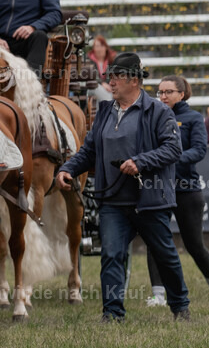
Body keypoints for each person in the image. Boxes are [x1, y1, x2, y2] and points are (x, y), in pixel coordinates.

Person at [56, 52, 190, 323]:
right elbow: (90, 150)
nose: (111, 83)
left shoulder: (158, 111)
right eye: (110, 78)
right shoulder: (105, 111)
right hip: (113, 200)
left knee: (165, 255)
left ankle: (180, 305)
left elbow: (172, 149)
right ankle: (113, 313)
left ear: (133, 80)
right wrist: (67, 169)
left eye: (115, 77)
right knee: (111, 254)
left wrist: (140, 162)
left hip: (150, 199)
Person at [146, 76, 209, 306]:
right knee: (155, 240)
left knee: (194, 245)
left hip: (187, 190)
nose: (163, 97)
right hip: (158, 189)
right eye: (160, 92)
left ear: (182, 94)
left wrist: (170, 158)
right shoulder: (153, 117)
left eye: (168, 92)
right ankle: (158, 295)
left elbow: (199, 150)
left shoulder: (193, 118)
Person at [88, 35, 118, 102]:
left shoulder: (111, 61)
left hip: (109, 88)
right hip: (93, 86)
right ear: (94, 49)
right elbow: (91, 76)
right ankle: (109, 109)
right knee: (99, 89)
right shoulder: (89, 60)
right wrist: (102, 84)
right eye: (97, 46)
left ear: (106, 47)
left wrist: (111, 85)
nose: (99, 49)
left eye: (102, 46)